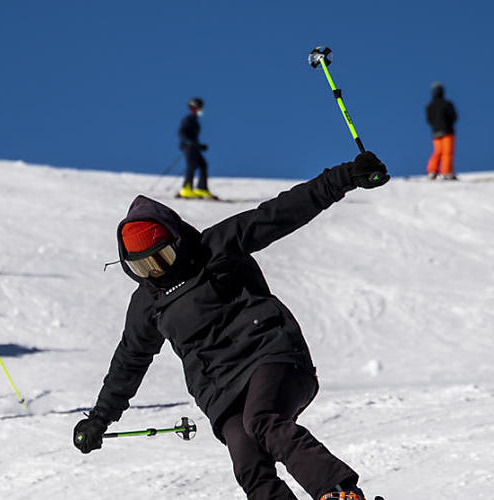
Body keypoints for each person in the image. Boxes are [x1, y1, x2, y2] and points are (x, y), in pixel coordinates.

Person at [73, 152, 391, 500]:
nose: (155, 272)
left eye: (160, 259)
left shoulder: (215, 247)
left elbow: (278, 215)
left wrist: (345, 176)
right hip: (220, 390)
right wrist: (99, 419)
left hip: (268, 355)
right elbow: (128, 363)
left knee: (263, 420)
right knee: (248, 464)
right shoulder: (147, 303)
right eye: (141, 267)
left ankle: (338, 491)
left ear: (176, 243)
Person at [177, 97, 216, 199]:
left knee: (203, 165)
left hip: (194, 147)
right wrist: (188, 141)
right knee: (192, 166)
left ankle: (201, 188)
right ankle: (186, 189)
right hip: (188, 147)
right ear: (194, 108)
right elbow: (182, 132)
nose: (201, 110)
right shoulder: (188, 119)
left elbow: (192, 137)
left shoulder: (195, 121)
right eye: (199, 108)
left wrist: (199, 146)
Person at [425, 82, 457, 180]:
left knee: (438, 152)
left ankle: (432, 171)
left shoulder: (430, 106)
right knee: (447, 152)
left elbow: (429, 120)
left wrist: (436, 126)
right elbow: (454, 117)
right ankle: (446, 172)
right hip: (447, 131)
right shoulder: (447, 104)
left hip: (436, 132)